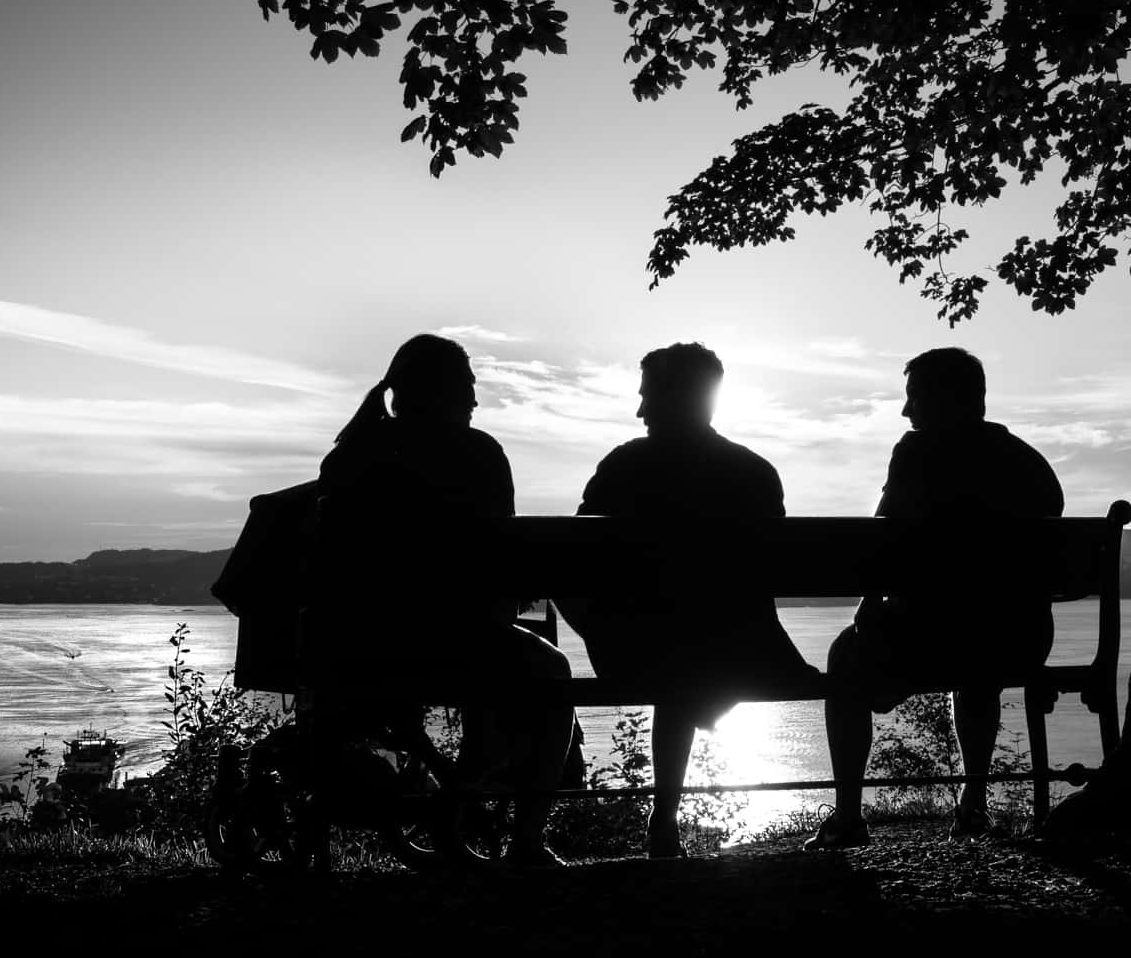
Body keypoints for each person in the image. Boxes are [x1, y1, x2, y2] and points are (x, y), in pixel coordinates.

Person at [315, 332, 574, 868]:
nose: (477, 402)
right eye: (470, 388)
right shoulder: (477, 454)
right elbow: (499, 559)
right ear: (448, 392)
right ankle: (523, 837)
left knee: (489, 658)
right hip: (454, 642)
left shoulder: (350, 455)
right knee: (549, 667)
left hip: (355, 644)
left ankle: (455, 813)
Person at [558, 342, 813, 858]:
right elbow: (770, 573)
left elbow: (569, 559)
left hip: (641, 654)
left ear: (676, 397)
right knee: (689, 647)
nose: (640, 410)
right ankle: (667, 819)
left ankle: (664, 821)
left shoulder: (625, 467)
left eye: (647, 395)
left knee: (672, 653)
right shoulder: (754, 471)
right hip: (744, 652)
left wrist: (598, 633)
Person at [804, 347, 1064, 850]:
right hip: (1019, 638)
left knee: (845, 654)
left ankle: (850, 818)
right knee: (978, 661)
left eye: (914, 397)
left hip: (941, 636)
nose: (906, 412)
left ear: (946, 399)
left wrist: (869, 605)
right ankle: (973, 804)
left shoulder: (917, 453)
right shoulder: (1028, 461)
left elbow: (880, 541)